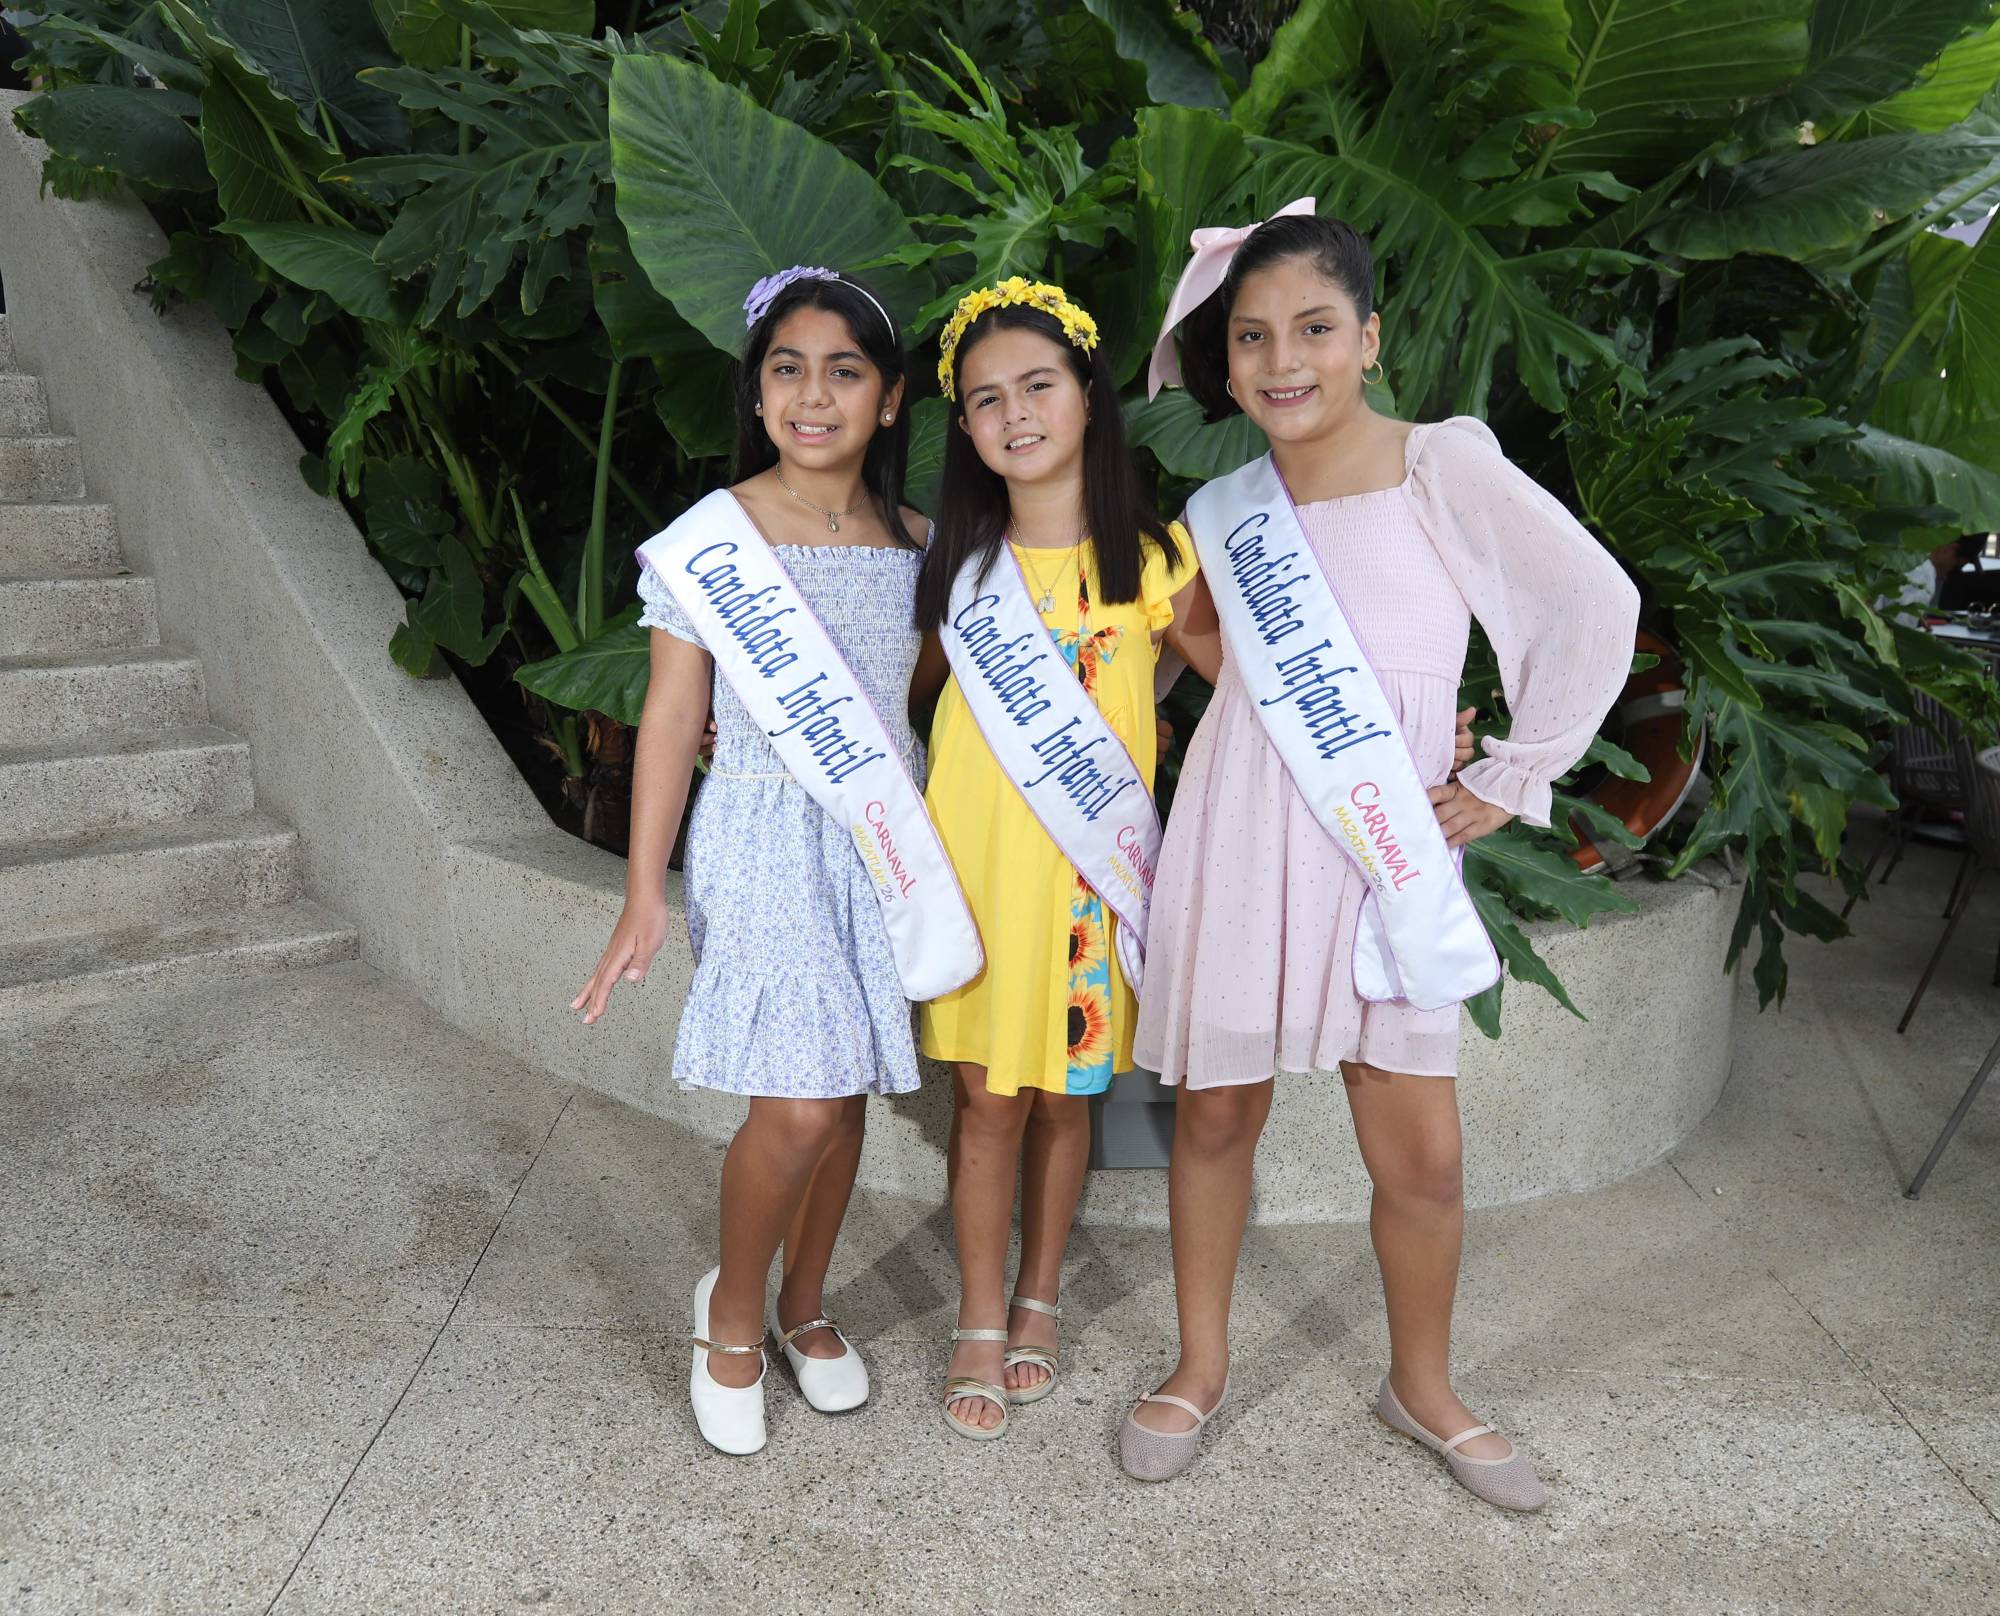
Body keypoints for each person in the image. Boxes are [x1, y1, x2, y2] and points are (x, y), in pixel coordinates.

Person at [1123, 204, 1639, 1508]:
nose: (1280, 359)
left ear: (1369, 337)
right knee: (1219, 1112)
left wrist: (1506, 773)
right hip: (1246, 822)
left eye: (1311, 327)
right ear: (1224, 360)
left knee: (1421, 1153)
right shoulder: (1224, 505)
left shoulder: (1437, 464)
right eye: (1251, 337)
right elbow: (1204, 640)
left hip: (1384, 840)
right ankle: (1198, 1365)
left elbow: (1594, 599)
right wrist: (1254, 695)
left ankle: (1424, 1384)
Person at [571, 267, 976, 1456]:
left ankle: (807, 1301)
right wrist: (645, 888)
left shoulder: (919, 546)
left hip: (875, 846)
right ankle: (732, 1316)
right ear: (754, 392)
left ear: (891, 398)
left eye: (844, 370)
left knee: (840, 1093)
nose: (813, 394)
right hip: (756, 831)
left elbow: (919, 705)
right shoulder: (713, 542)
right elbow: (663, 718)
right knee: (796, 1103)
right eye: (786, 369)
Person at [911, 277, 1216, 1440]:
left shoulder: (1153, 560)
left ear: (1088, 394)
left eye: (1036, 384)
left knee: (1065, 1100)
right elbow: (905, 711)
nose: (1013, 414)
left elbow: (1244, 693)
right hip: (983, 885)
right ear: (966, 431)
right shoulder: (953, 567)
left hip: (1090, 887)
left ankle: (1040, 1294)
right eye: (984, 400)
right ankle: (979, 1314)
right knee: (985, 1101)